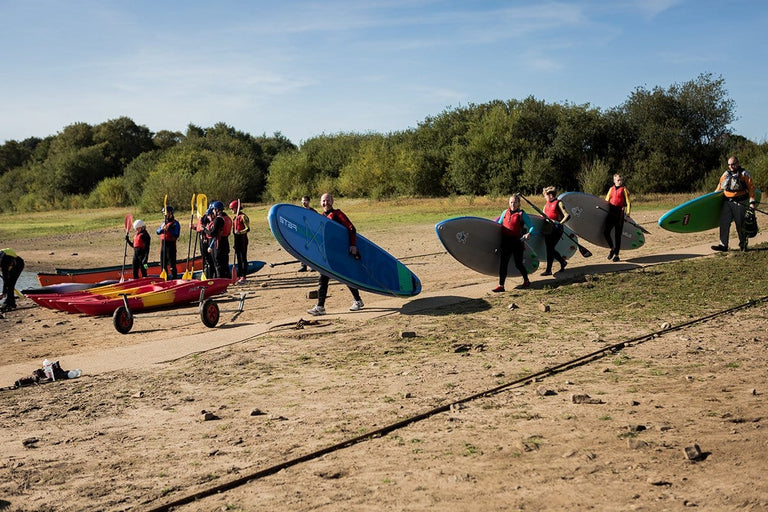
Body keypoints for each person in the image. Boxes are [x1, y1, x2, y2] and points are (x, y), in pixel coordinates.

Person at [307, 193, 364, 315]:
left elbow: (351, 228)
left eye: (327, 200)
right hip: (328, 254)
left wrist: (353, 245)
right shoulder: (321, 217)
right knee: (323, 279)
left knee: (344, 276)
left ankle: (358, 300)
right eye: (323, 201)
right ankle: (320, 307)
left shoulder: (338, 214)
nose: (325, 203)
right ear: (320, 203)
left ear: (332, 201)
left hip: (339, 252)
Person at [712, 156, 757, 252]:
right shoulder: (725, 174)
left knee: (740, 224)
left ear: (737, 163)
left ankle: (743, 244)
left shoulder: (744, 174)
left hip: (740, 203)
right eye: (729, 164)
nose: (731, 166)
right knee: (724, 223)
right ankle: (723, 245)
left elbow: (751, 189)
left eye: (733, 164)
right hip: (727, 202)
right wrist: (711, 200)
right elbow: (719, 187)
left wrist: (752, 203)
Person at [493, 194, 535, 292]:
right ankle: (501, 286)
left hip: (517, 242)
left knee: (518, 264)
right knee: (503, 264)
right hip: (505, 242)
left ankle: (526, 280)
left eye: (515, 202)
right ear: (509, 203)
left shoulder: (521, 214)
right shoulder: (505, 212)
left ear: (519, 203)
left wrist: (529, 233)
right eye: (511, 202)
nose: (513, 204)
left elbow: (532, 226)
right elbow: (498, 224)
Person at [541, 186, 570, 276]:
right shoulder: (546, 205)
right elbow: (543, 216)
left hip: (557, 230)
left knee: (550, 249)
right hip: (548, 229)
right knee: (550, 249)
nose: (544, 197)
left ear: (550, 195)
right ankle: (562, 262)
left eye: (545, 195)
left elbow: (567, 215)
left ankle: (549, 270)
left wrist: (559, 223)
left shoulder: (559, 203)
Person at [604, 173, 630, 262]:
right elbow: (606, 201)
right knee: (605, 232)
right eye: (618, 180)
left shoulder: (624, 190)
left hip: (620, 214)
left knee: (617, 236)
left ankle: (617, 255)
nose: (620, 181)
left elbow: (629, 203)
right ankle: (612, 248)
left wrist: (628, 215)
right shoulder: (611, 189)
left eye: (621, 180)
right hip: (611, 213)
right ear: (614, 180)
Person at [204, 201, 232, 278]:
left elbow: (213, 234)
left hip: (219, 244)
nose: (212, 211)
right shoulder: (227, 218)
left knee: (218, 264)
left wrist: (204, 229)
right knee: (225, 263)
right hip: (225, 242)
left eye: (213, 210)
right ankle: (227, 278)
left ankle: (220, 281)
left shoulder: (218, 219)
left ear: (216, 210)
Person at [157, 205, 181, 279]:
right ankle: (164, 279)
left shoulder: (175, 223)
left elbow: (176, 234)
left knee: (172, 264)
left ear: (170, 213)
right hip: (163, 245)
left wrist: (168, 229)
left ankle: (174, 278)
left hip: (171, 246)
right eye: (164, 213)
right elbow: (157, 232)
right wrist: (162, 229)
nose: (165, 215)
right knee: (163, 264)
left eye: (166, 213)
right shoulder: (163, 223)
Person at [229, 199, 250, 283]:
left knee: (243, 258)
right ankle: (239, 275)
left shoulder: (243, 217)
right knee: (238, 258)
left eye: (232, 209)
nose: (231, 211)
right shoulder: (235, 218)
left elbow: (248, 228)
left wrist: (240, 232)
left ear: (236, 208)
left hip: (243, 240)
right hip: (237, 240)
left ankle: (244, 276)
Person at [298, 195, 317, 272]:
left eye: (305, 200)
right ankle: (303, 266)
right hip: (302, 232)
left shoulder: (313, 212)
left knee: (311, 249)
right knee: (302, 249)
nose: (303, 202)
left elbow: (316, 221)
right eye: (302, 200)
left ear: (309, 201)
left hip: (310, 233)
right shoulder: (298, 211)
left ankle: (313, 266)